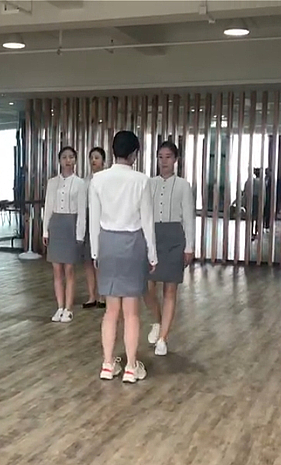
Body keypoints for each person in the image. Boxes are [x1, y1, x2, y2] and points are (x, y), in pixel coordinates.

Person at [89, 131, 157, 383]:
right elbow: (147, 221)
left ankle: (107, 364)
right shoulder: (141, 180)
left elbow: (94, 220)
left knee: (110, 311)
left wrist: (95, 252)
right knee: (131, 312)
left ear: (113, 151)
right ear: (134, 154)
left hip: (107, 243)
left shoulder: (98, 179)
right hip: (132, 243)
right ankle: (130, 366)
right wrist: (152, 254)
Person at [144, 141, 195, 356]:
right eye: (160, 157)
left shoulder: (183, 185)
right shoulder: (149, 183)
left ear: (176, 160)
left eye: (168, 157)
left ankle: (163, 338)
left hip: (175, 237)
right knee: (146, 286)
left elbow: (189, 217)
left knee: (170, 289)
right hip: (152, 236)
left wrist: (189, 246)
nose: (164, 161)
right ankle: (157, 321)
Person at [43, 146, 86, 323]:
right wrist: (45, 230)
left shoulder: (80, 183)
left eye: (71, 157)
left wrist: (80, 234)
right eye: (64, 157)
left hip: (71, 224)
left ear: (75, 160)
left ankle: (69, 308)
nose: (68, 161)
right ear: (59, 161)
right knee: (56, 270)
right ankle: (59, 307)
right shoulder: (52, 182)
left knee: (69, 269)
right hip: (56, 224)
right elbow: (48, 207)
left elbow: (82, 211)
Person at [81, 147, 107, 309]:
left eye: (97, 157)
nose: (93, 161)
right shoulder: (85, 182)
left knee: (101, 261)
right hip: (88, 220)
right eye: (91, 158)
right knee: (88, 261)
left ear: (103, 161)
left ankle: (103, 295)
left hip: (103, 221)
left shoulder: (107, 180)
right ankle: (92, 295)